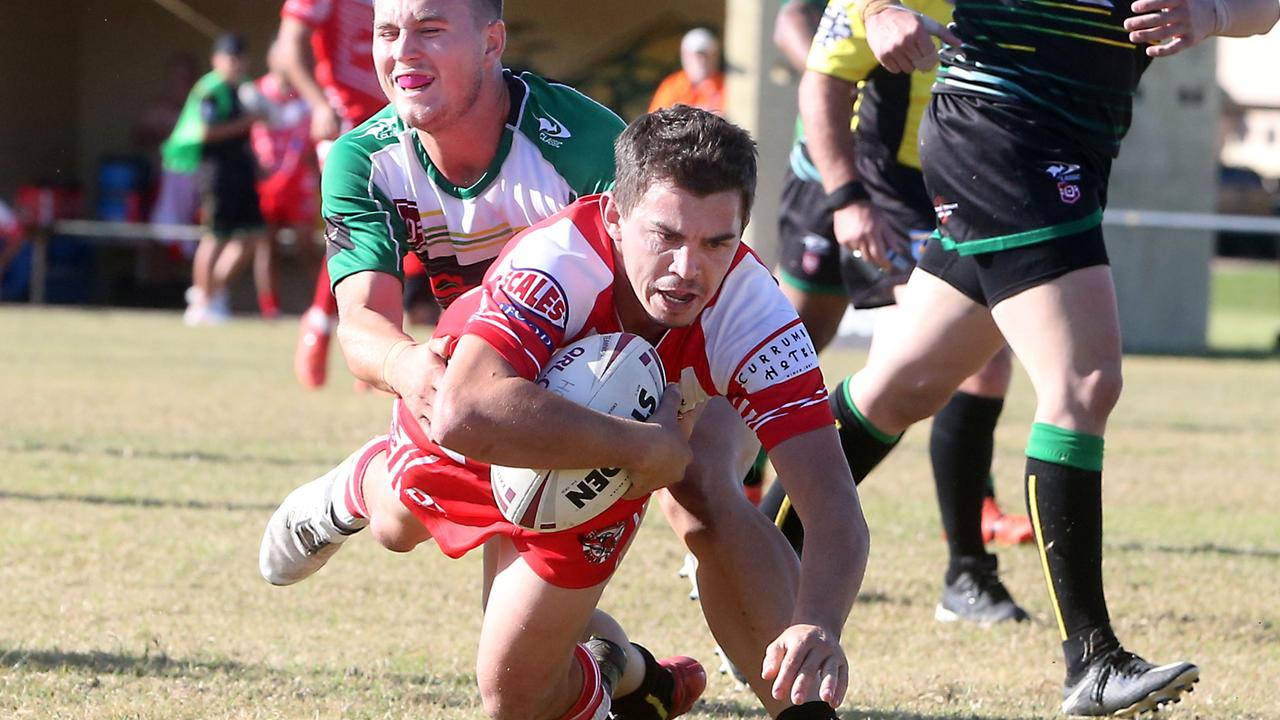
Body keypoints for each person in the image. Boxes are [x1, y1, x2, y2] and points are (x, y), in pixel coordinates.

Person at [261, 103, 869, 720]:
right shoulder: (561, 260)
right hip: (491, 398)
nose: (689, 270)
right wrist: (641, 447)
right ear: (615, 214)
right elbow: (464, 410)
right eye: (665, 236)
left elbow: (833, 503)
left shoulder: (753, 310)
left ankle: (638, 678)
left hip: (612, 442)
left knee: (513, 694)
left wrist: (818, 624)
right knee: (396, 528)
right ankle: (367, 479)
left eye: (718, 242)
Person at [834, 0, 1278, 714]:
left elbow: (1263, 10)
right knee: (1085, 381)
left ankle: (752, 552)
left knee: (899, 388)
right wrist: (878, 8)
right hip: (1003, 129)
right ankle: (1091, 660)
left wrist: (1209, 13)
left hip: (1069, 146)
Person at [763, 0, 1035, 630]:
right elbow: (814, 58)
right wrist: (847, 197)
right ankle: (757, 532)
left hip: (968, 174)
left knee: (976, 368)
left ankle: (965, 573)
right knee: (794, 342)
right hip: (884, 178)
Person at [275, 0, 389, 385]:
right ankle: (320, 329)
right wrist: (318, 103)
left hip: (394, 116)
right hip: (345, 122)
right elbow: (288, 46)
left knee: (400, 231)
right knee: (356, 226)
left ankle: (372, 346)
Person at [180, 34, 268, 327]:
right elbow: (205, 132)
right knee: (215, 236)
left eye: (239, 58)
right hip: (215, 172)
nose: (235, 64)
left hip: (240, 172)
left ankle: (211, 291)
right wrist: (248, 122)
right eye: (230, 58)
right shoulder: (210, 90)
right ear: (216, 60)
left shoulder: (242, 90)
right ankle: (202, 301)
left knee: (252, 236)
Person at [248, 41, 320, 320]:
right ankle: (270, 308)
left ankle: (324, 307)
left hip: (299, 180)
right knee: (267, 244)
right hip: (266, 179)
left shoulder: (307, 96)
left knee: (306, 245)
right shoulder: (255, 93)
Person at [648, 28, 725, 115]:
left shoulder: (726, 86)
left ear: (716, 55)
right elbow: (654, 120)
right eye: (693, 56)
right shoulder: (672, 85)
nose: (700, 61)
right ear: (684, 55)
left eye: (705, 55)